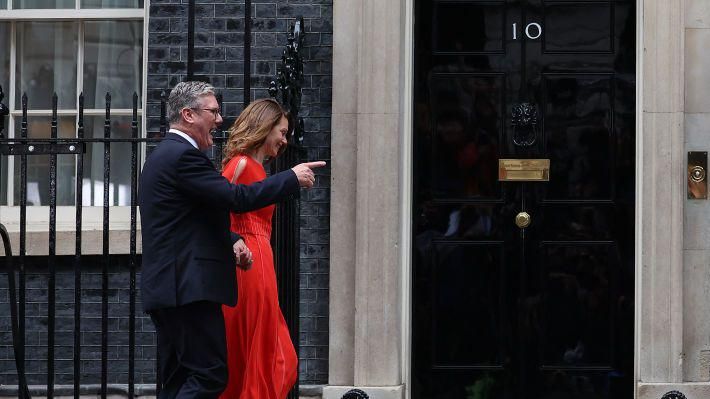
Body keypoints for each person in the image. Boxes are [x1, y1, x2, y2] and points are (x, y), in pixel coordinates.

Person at [139, 81, 324, 399]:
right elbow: (235, 197)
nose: (220, 119)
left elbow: (191, 219)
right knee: (210, 374)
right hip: (187, 288)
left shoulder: (164, 156)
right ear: (188, 114)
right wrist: (290, 178)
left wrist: (230, 239)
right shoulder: (183, 157)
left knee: (179, 379)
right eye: (213, 111)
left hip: (170, 286)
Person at [218, 98, 301, 399]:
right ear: (264, 128)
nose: (284, 139)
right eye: (281, 131)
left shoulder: (254, 167)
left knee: (273, 352)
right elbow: (217, 208)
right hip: (250, 263)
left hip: (260, 259)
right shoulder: (241, 164)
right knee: (262, 349)